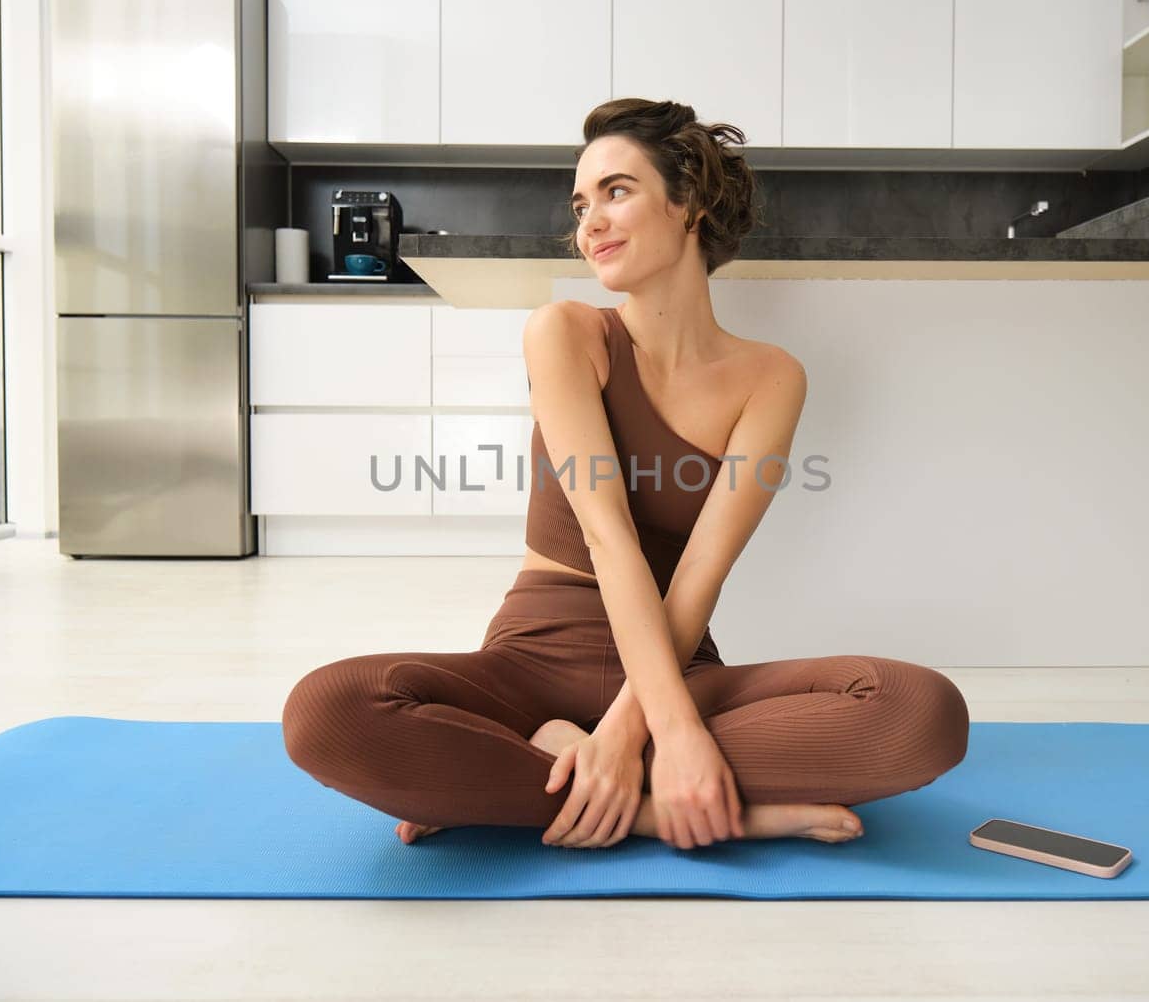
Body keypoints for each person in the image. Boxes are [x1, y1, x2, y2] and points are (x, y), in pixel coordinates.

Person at [281, 98, 969, 851]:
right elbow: (608, 540)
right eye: (581, 205)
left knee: (917, 709)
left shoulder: (772, 377)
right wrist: (671, 741)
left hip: (677, 662)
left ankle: (526, 783)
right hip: (531, 663)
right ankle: (671, 811)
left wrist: (645, 727)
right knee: (326, 709)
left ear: (690, 205)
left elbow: (703, 570)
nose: (590, 223)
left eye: (616, 191)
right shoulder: (566, 333)